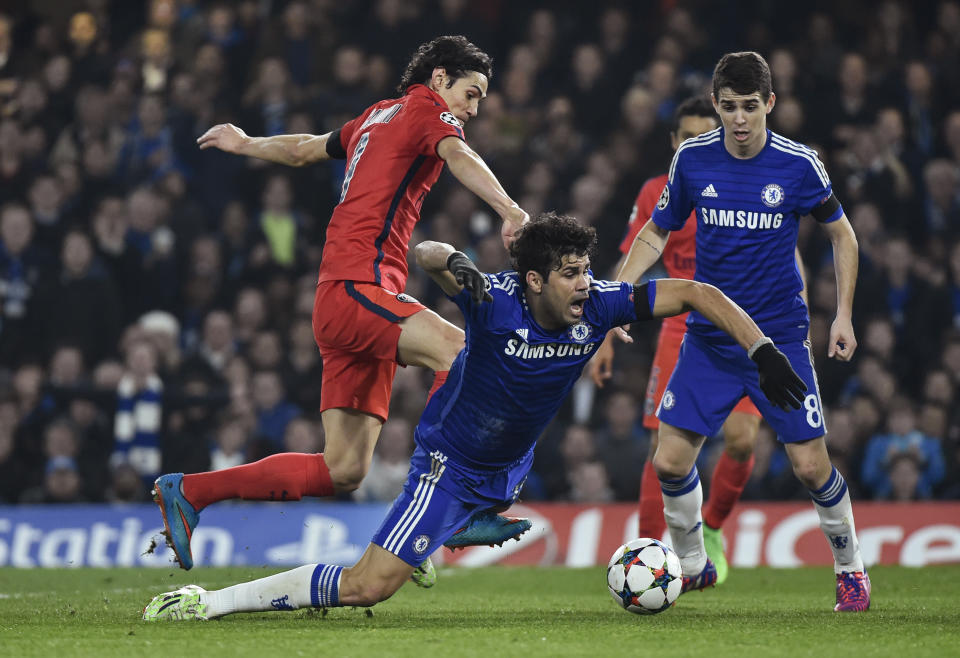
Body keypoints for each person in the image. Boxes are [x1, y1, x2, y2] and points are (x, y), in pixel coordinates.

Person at [143, 212, 805, 621]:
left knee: (499, 468)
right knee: (368, 587)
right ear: (536, 280)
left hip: (507, 463)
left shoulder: (600, 306)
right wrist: (457, 264)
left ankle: (452, 531)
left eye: (585, 271)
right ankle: (211, 604)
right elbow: (427, 254)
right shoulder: (494, 303)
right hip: (449, 466)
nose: (585, 283)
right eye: (571, 273)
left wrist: (762, 350)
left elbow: (696, 291)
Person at [150, 37, 530, 583]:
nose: (472, 110)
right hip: (360, 288)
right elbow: (459, 154)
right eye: (471, 95)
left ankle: (189, 492)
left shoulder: (376, 116)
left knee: (344, 469)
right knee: (463, 351)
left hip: (340, 299)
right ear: (441, 78)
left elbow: (306, 147)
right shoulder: (427, 109)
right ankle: (453, 503)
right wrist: (512, 210)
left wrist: (246, 142)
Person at [612, 52, 869, 611]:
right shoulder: (693, 161)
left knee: (809, 465)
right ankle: (692, 562)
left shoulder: (800, 165)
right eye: (728, 107)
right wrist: (617, 295)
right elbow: (656, 233)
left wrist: (843, 313)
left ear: (769, 104)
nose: (740, 119)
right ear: (716, 106)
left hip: (778, 344)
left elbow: (843, 237)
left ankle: (850, 569)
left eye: (750, 107)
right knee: (670, 460)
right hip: (708, 340)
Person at [590, 96, 808, 586]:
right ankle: (647, 552)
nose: (694, 143)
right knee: (662, 447)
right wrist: (605, 328)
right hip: (679, 324)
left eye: (702, 134)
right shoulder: (656, 191)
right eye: (685, 136)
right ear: (673, 142)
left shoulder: (747, 178)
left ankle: (710, 527)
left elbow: (790, 259)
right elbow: (634, 255)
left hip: (748, 322)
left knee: (741, 437)